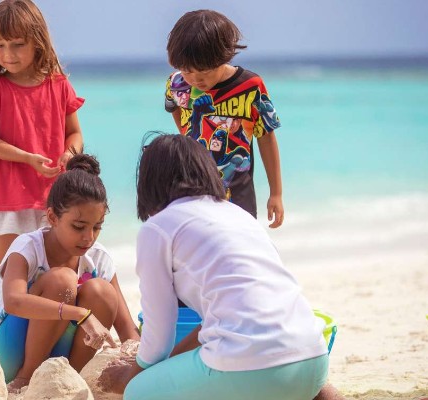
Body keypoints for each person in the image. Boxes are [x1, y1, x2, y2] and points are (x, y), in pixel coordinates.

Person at [98, 134, 334, 400]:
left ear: (150, 181)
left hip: (256, 371)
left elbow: (159, 336)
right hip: (314, 362)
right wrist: (170, 368)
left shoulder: (159, 227)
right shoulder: (239, 216)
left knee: (137, 392)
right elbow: (222, 323)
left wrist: (131, 375)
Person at [0, 153, 141, 393]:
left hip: (58, 355)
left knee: (101, 292)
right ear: (52, 217)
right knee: (62, 280)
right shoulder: (27, 247)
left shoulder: (98, 257)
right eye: (78, 227)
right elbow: (13, 302)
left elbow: (128, 332)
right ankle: (25, 381)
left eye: (97, 227)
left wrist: (139, 365)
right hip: (7, 355)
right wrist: (81, 314)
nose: (89, 237)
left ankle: (66, 382)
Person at [0, 0, 85, 305]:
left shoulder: (59, 85)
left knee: (57, 267)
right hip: (7, 193)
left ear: (38, 42)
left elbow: (74, 132)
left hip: (52, 193)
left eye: (18, 45)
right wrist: (27, 158)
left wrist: (69, 154)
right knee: (6, 271)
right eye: (0, 45)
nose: (8, 54)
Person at [164, 9, 284, 228]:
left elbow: (265, 136)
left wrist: (276, 193)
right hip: (189, 188)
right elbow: (173, 106)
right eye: (187, 71)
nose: (196, 79)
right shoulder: (177, 83)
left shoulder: (250, 86)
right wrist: (187, 135)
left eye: (205, 71)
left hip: (237, 191)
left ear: (223, 56)